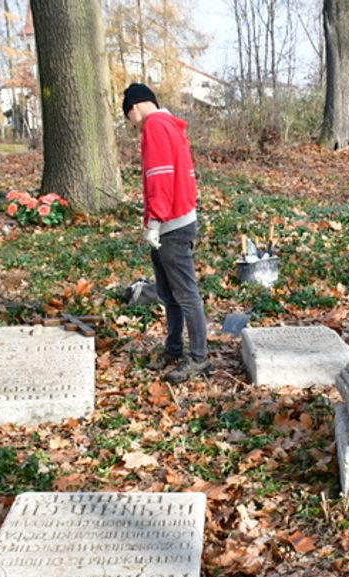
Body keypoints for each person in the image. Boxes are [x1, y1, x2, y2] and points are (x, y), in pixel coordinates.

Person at [122, 82, 211, 383]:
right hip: (179, 218)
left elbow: (159, 176)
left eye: (129, 120)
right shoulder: (171, 125)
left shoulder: (155, 126)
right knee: (169, 293)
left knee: (185, 294)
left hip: (171, 223)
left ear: (134, 108)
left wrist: (155, 222)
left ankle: (199, 358)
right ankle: (173, 348)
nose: (134, 128)